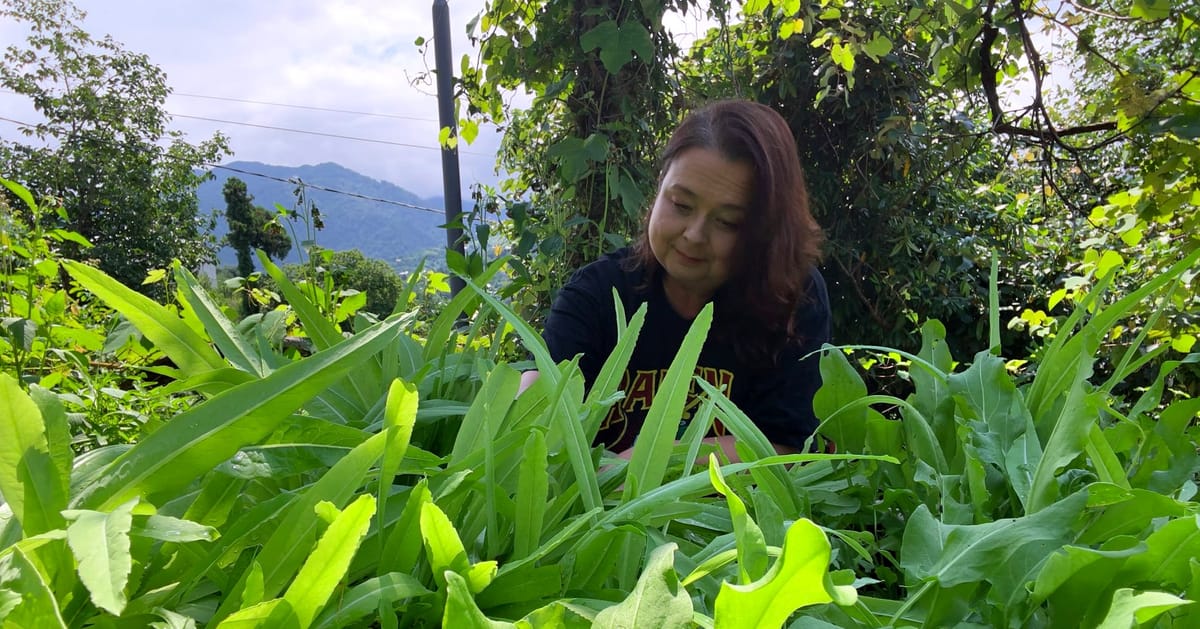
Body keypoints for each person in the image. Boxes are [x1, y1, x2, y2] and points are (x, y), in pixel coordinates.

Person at [520, 99, 830, 461]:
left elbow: (786, 446)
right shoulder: (597, 293)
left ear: (767, 231)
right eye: (681, 205)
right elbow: (534, 407)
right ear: (659, 189)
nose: (694, 235)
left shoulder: (793, 299)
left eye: (728, 222)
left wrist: (648, 463)